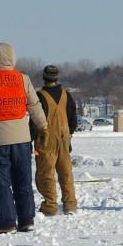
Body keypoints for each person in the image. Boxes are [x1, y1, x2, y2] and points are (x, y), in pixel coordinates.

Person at [0, 43, 47, 233]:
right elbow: (34, 105)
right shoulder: (23, 79)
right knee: (23, 180)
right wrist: (43, 125)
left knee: (1, 182)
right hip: (22, 138)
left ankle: (6, 221)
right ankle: (26, 220)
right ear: (13, 58)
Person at [31, 65, 78, 216]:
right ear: (57, 78)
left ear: (44, 78)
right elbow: (73, 120)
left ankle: (50, 206)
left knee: (46, 173)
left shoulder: (40, 96)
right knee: (66, 172)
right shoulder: (67, 95)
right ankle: (70, 205)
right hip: (64, 138)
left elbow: (34, 121)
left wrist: (29, 139)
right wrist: (67, 134)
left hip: (46, 140)